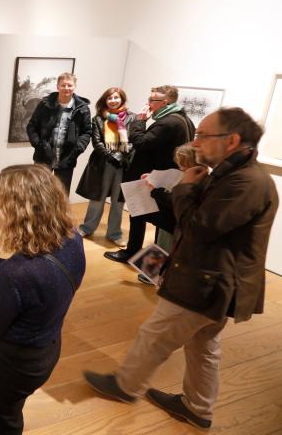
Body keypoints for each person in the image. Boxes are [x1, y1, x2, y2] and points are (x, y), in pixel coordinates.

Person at [84, 107, 278, 431]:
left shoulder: (246, 182)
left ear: (230, 140)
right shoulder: (234, 175)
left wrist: (186, 186)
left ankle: (126, 385)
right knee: (203, 345)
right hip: (213, 280)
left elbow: (200, 227)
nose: (197, 141)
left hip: (208, 281)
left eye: (203, 135)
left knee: (155, 334)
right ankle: (197, 407)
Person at [0, 164, 86, 435]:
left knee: (4, 417)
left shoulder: (16, 273)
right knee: (10, 408)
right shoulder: (73, 240)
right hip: (47, 349)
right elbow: (42, 281)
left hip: (12, 365)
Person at [104, 85, 195, 264]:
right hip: (161, 177)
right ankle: (148, 260)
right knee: (145, 215)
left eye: (152, 100)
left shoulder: (168, 122)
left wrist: (139, 121)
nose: (148, 103)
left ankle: (143, 258)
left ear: (165, 102)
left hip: (154, 178)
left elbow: (141, 142)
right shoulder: (183, 119)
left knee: (141, 214)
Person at [75, 87, 132, 245]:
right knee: (97, 199)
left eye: (116, 97)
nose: (113, 100)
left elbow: (135, 139)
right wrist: (110, 155)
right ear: (105, 101)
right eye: (109, 98)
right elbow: (96, 141)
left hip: (123, 164)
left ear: (122, 99)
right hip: (102, 163)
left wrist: (121, 156)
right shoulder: (98, 119)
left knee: (118, 201)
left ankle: (114, 234)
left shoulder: (131, 118)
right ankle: (87, 228)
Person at [26, 72, 92, 193]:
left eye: (69, 85)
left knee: (61, 195)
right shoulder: (45, 104)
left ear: (74, 87)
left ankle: (56, 213)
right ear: (57, 87)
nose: (66, 88)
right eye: (63, 85)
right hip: (43, 157)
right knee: (37, 192)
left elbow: (86, 132)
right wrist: (38, 145)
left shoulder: (82, 108)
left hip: (67, 158)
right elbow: (31, 126)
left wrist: (77, 149)